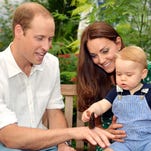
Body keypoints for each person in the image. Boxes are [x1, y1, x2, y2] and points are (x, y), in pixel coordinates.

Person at [0, 2, 115, 151]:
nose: (47, 47)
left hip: (44, 146)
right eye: (40, 38)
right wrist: (72, 132)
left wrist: (62, 145)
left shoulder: (51, 64)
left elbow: (54, 113)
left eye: (50, 39)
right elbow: (10, 137)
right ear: (19, 31)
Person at [82, 45, 151, 151]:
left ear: (143, 74)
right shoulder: (116, 91)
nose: (123, 78)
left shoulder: (148, 92)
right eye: (119, 74)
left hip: (147, 141)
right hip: (123, 143)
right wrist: (92, 110)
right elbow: (102, 104)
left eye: (129, 75)